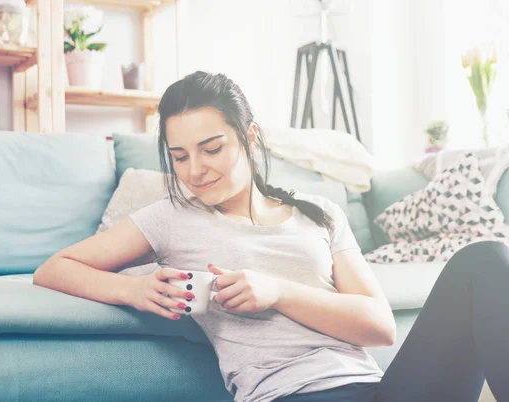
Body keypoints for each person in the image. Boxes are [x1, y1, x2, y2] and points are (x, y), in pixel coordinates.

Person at [33, 71, 509, 402]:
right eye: (179, 157)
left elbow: (379, 325)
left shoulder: (319, 213)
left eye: (211, 148)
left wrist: (278, 290)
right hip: (292, 395)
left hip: (383, 389)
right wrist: (132, 288)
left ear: (250, 136)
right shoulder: (170, 217)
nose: (195, 170)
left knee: (487, 258)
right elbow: (54, 268)